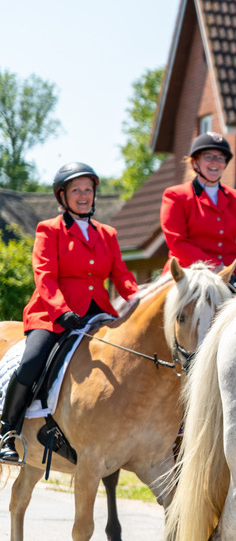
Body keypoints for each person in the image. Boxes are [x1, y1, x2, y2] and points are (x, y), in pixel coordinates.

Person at [0, 162, 139, 461]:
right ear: (62, 196)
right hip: (52, 315)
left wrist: (137, 299)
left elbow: (121, 274)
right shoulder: (49, 230)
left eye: (88, 189)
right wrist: (61, 311)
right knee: (31, 362)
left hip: (98, 312)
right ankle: (7, 430)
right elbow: (45, 275)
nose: (83, 195)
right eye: (76, 190)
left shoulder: (108, 234)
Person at [160, 132, 236, 283]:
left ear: (225, 163)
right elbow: (177, 242)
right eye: (208, 156)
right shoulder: (176, 196)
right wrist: (215, 267)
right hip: (188, 274)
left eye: (220, 157)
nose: (215, 162)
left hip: (231, 275)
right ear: (195, 162)